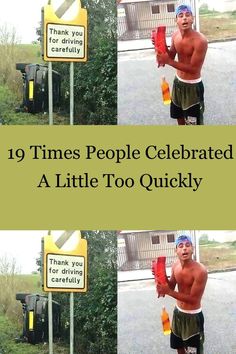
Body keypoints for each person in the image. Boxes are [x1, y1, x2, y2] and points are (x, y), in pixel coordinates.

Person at [157, 4, 208, 125]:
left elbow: (194, 69)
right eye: (181, 15)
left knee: (193, 124)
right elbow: (171, 55)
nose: (184, 18)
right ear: (176, 20)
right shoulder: (175, 35)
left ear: (192, 19)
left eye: (187, 15)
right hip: (177, 83)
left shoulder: (200, 41)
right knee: (179, 118)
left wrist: (169, 62)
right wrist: (160, 43)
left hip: (192, 88)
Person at [156, 234, 208, 354]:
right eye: (181, 246)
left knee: (192, 352)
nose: (184, 248)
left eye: (188, 245)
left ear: (192, 249)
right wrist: (160, 276)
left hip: (192, 318)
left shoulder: (200, 271)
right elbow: (171, 285)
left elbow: (194, 299)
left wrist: (169, 292)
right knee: (178, 347)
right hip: (177, 314)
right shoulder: (175, 266)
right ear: (176, 251)